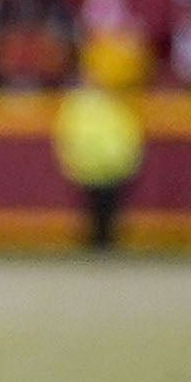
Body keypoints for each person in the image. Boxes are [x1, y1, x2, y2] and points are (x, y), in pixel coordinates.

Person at [55, 38, 146, 252]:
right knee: (93, 210)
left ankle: (105, 245)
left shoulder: (111, 102)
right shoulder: (81, 103)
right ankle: (96, 245)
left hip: (111, 166)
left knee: (109, 211)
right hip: (92, 166)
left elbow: (128, 133)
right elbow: (67, 132)